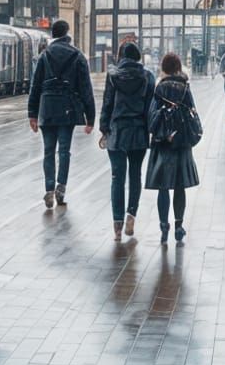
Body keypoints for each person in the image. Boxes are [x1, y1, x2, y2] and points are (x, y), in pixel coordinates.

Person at [27, 18, 96, 210]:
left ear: (52, 35)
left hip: (47, 107)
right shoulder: (78, 56)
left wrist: (32, 113)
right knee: (64, 150)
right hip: (68, 108)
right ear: (67, 34)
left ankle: (48, 189)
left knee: (48, 151)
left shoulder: (44, 55)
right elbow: (85, 88)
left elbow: (35, 86)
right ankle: (61, 188)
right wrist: (90, 117)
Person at [99, 40, 155, 240]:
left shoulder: (113, 76)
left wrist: (104, 128)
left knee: (117, 178)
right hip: (138, 132)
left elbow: (107, 103)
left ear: (121, 56)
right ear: (138, 56)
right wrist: (150, 131)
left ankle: (117, 226)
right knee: (135, 175)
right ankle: (131, 214)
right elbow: (150, 108)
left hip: (117, 131)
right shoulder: (148, 77)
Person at [146, 52, 199, 243]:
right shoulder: (185, 88)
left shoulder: (159, 88)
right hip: (182, 141)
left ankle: (163, 226)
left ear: (164, 68)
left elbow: (151, 116)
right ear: (178, 68)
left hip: (163, 142)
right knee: (179, 186)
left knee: (163, 186)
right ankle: (179, 226)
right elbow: (193, 113)